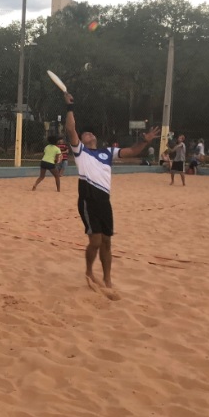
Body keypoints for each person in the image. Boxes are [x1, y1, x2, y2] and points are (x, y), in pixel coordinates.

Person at [64, 92, 159, 300]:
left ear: (96, 137)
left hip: (104, 200)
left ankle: (107, 278)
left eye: (90, 133)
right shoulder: (80, 152)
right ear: (81, 140)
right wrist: (70, 107)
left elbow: (132, 152)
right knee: (95, 241)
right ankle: (89, 271)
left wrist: (144, 141)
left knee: (107, 242)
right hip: (88, 199)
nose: (88, 134)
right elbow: (70, 129)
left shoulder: (107, 152)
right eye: (85, 133)